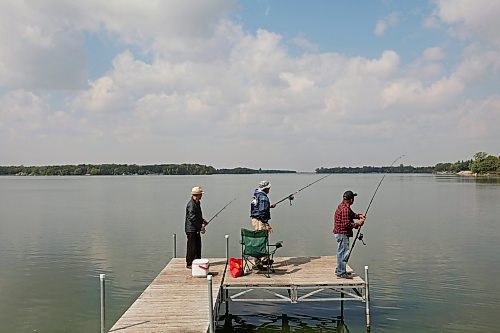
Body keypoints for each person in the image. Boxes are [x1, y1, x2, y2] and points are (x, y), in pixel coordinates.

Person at [333, 190, 365, 279]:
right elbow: (346, 224)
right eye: (353, 198)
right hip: (342, 233)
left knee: (341, 252)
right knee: (343, 253)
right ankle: (341, 272)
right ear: (351, 200)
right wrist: (358, 224)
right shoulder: (345, 209)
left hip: (340, 233)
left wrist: (359, 216)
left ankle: (340, 269)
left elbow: (351, 215)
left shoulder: (343, 206)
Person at [250, 180, 276, 268]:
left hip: (255, 219)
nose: (269, 189)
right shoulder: (264, 198)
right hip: (260, 221)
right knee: (260, 241)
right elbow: (262, 212)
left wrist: (268, 206)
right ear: (265, 188)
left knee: (260, 239)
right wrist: (267, 224)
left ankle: (264, 259)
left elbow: (258, 207)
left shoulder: (257, 194)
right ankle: (258, 263)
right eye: (268, 188)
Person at [185, 186, 208, 269]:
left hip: (195, 229)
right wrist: (200, 226)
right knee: (192, 247)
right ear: (197, 194)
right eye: (200, 194)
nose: (202, 195)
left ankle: (197, 261)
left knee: (197, 246)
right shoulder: (191, 204)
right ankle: (190, 263)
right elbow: (192, 218)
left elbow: (197, 216)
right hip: (191, 229)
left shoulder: (197, 203)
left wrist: (203, 221)